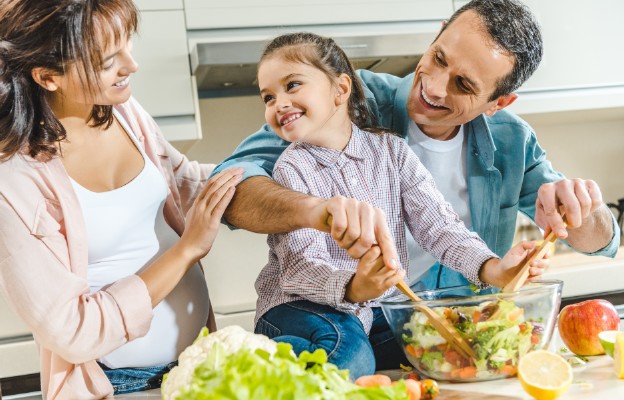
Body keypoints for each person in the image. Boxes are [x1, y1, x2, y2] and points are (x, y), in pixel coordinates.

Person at [213, 0, 619, 293]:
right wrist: (317, 212)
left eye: (464, 85)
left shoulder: (512, 141)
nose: (434, 87)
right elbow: (227, 189)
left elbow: (601, 242)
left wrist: (583, 210)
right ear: (439, 32)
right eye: (439, 57)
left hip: (458, 328)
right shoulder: (346, 101)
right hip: (356, 316)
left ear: (498, 103)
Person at [253, 31, 549, 377]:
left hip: (372, 307)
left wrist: (495, 268)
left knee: (437, 348)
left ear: (340, 90)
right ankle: (257, 360)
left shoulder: (392, 151)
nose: (279, 104)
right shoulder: (292, 166)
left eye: (292, 86)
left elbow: (440, 227)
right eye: (268, 97)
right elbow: (300, 269)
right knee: (348, 357)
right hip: (301, 307)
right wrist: (356, 286)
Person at [0, 1, 242, 398]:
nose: (131, 65)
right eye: (107, 60)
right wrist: (186, 252)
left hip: (199, 366)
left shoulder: (122, 111)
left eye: (127, 44)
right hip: (116, 386)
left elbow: (183, 181)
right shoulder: (14, 180)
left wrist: (277, 172)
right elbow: (72, 332)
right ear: (48, 77)